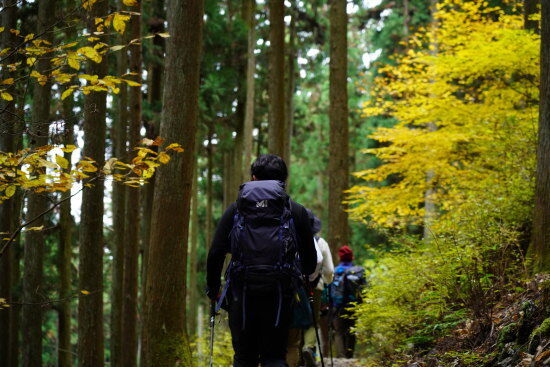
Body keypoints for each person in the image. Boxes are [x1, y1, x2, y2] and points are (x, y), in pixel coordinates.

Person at [206, 154, 317, 367]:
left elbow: (216, 252)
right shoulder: (296, 211)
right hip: (279, 292)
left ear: (253, 178)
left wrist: (213, 289)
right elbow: (309, 262)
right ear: (283, 180)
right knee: (274, 355)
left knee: (244, 356)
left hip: (241, 293)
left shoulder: (235, 210)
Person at [301, 211, 334, 366]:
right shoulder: (321, 243)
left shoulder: (293, 239)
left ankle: (296, 351)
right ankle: (308, 347)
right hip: (316, 287)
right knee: (312, 320)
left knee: (296, 319)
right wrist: (327, 282)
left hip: (296, 288)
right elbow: (329, 270)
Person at [328, 245, 365, 358]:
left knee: (338, 331)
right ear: (352, 257)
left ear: (340, 258)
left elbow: (329, 288)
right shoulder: (358, 271)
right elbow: (364, 289)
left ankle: (341, 356)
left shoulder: (335, 271)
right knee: (351, 330)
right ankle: (350, 356)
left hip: (337, 305)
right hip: (353, 305)